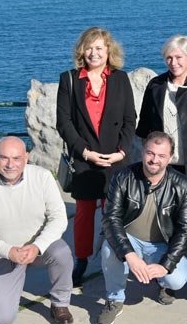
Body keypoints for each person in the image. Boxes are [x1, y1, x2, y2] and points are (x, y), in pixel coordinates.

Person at [0, 137, 74, 324]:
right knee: (1, 320)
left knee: (61, 253)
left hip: (38, 246)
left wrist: (37, 246)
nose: (10, 164)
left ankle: (60, 303)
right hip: (3, 252)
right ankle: (12, 279)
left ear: (26, 157)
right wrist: (8, 251)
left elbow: (59, 218)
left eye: (16, 158)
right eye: (4, 158)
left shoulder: (43, 177)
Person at [56, 26, 136, 287]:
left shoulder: (121, 79)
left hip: (115, 157)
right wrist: (86, 152)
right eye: (89, 48)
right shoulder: (69, 79)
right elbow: (64, 123)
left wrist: (121, 152)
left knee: (114, 211)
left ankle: (115, 256)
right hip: (84, 158)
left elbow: (129, 119)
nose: (94, 53)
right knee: (84, 212)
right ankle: (81, 259)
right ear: (82, 50)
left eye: (99, 48)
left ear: (108, 51)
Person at [137, 35, 187, 278]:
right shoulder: (155, 86)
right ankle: (170, 263)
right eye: (169, 58)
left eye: (179, 57)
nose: (174, 62)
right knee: (168, 216)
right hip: (166, 167)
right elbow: (145, 128)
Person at [97, 132, 187, 324]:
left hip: (161, 245)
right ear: (143, 152)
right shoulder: (122, 177)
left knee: (176, 279)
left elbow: (185, 230)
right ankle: (115, 299)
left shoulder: (182, 185)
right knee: (109, 248)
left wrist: (165, 265)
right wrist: (130, 255)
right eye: (150, 153)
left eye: (161, 156)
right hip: (130, 239)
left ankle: (162, 283)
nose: (154, 160)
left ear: (170, 158)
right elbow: (111, 219)